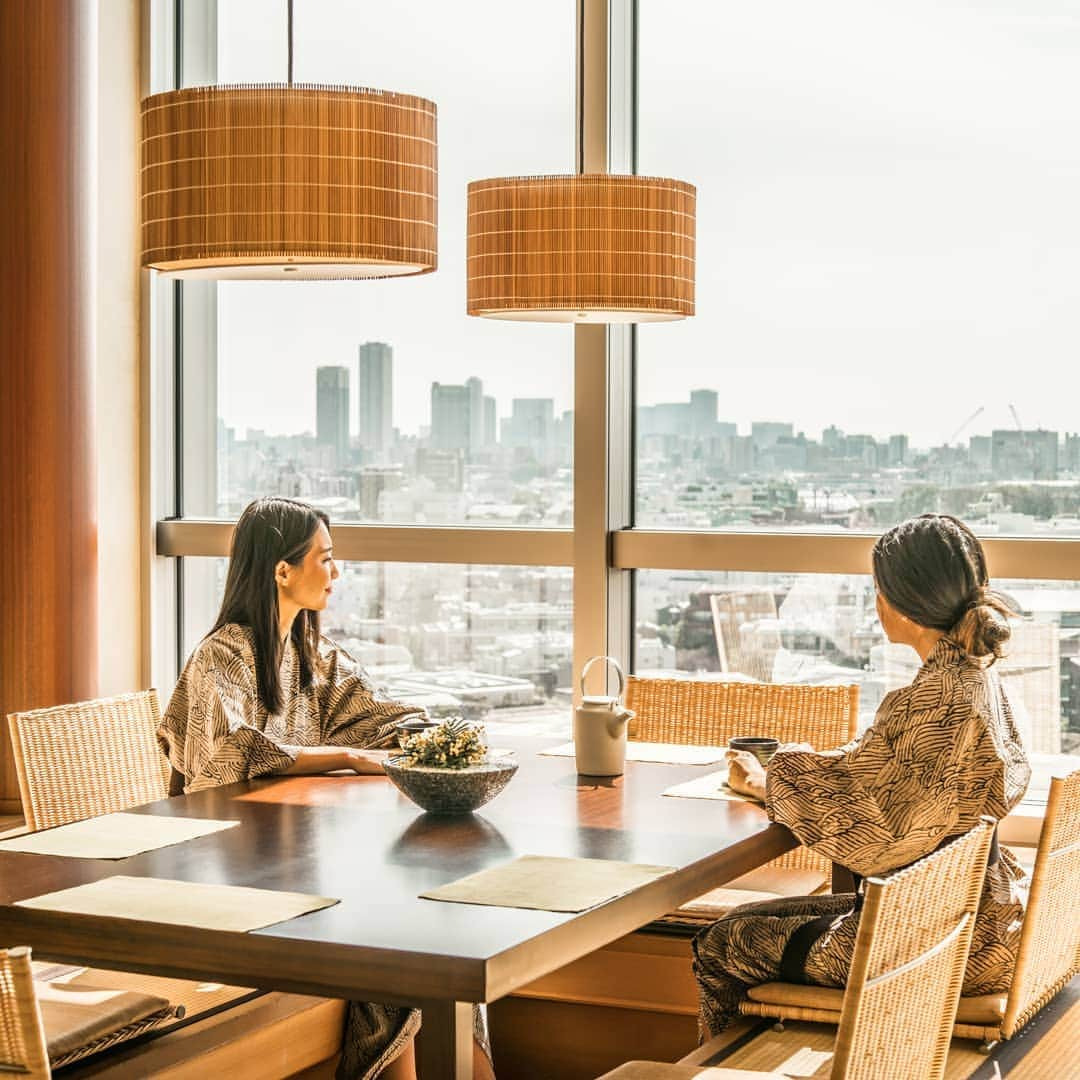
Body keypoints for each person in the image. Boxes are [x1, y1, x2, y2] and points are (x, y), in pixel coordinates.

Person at [158, 496, 493, 1080]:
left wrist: (443, 739)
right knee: (402, 946)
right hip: (232, 883)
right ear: (281, 570)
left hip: (302, 873)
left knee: (426, 938)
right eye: (326, 558)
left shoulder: (313, 655)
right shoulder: (222, 657)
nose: (336, 573)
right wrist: (343, 755)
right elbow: (230, 751)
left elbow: (375, 718)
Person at [692, 513, 1031, 1037]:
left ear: (901, 602)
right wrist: (793, 774)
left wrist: (772, 778)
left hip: (924, 939)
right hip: (984, 922)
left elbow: (877, 838)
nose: (876, 604)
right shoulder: (977, 684)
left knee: (722, 944)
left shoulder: (931, 703)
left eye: (878, 590)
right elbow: (898, 786)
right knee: (745, 920)